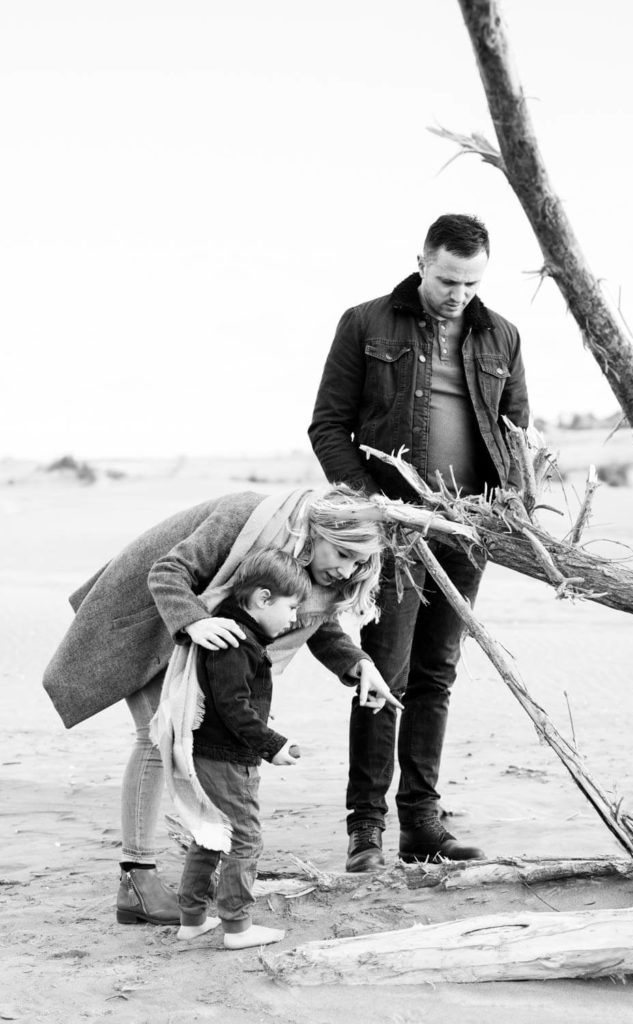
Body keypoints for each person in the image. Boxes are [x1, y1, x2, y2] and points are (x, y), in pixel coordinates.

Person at [43, 485, 400, 923]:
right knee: (157, 736)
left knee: (191, 742)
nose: (347, 571)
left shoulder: (299, 562)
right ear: (318, 530)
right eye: (342, 554)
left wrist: (359, 665)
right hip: (149, 614)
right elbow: (168, 570)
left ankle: (199, 868)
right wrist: (194, 622)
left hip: (197, 629)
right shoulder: (249, 516)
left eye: (359, 563)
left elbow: (313, 622)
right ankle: (137, 879)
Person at [308, 213, 530, 872]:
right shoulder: (365, 322)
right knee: (382, 675)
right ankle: (365, 830)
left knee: (435, 676)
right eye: (446, 279)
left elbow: (516, 431)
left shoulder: (502, 336)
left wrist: (510, 505)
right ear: (420, 262)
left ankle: (422, 825)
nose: (457, 293)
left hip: (467, 531)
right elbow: (327, 425)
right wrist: (375, 511)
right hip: (394, 533)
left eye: (470, 282)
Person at [174, 547, 310, 950]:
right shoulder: (236, 640)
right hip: (227, 759)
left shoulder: (234, 632)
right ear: (263, 598)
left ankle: (192, 918)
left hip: (211, 753)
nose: (295, 619)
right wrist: (272, 744)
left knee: (209, 836)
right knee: (244, 838)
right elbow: (233, 707)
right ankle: (237, 926)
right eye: (291, 607)